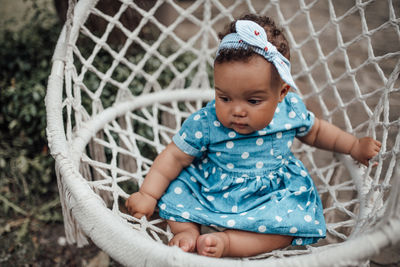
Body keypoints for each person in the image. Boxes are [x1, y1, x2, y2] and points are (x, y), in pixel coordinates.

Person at [125, 14, 381, 258]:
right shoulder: (207, 121)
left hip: (270, 194)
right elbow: (174, 157)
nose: (237, 110)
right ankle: (187, 232)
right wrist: (148, 194)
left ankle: (228, 242)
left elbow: (317, 132)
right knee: (178, 194)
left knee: (288, 227)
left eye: (253, 100)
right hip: (213, 187)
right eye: (224, 97)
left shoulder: (289, 110)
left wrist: (353, 145)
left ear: (281, 92)